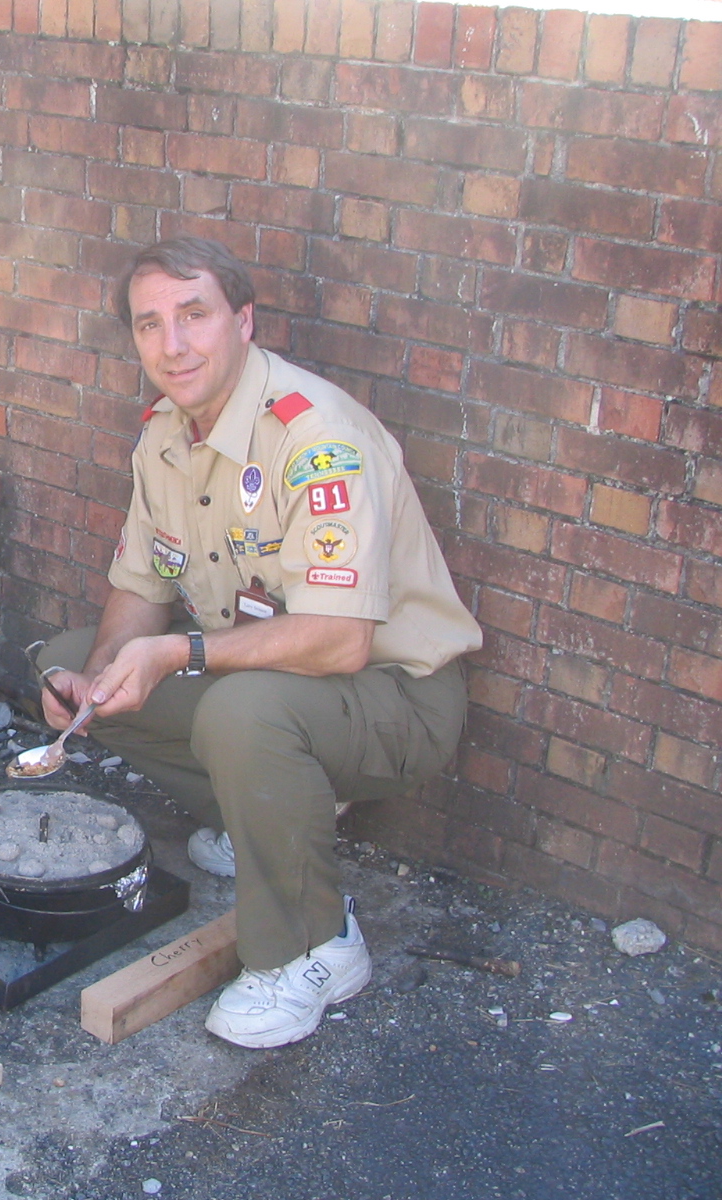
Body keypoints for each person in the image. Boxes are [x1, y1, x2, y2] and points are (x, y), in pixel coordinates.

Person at [38, 237, 482, 1049]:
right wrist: (91, 685)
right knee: (70, 662)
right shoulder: (164, 435)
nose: (173, 344)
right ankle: (267, 821)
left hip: (397, 698)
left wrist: (177, 655)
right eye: (149, 324)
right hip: (268, 679)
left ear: (244, 321)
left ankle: (316, 946)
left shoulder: (314, 439)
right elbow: (143, 585)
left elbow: (341, 642)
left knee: (241, 715)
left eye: (194, 315)